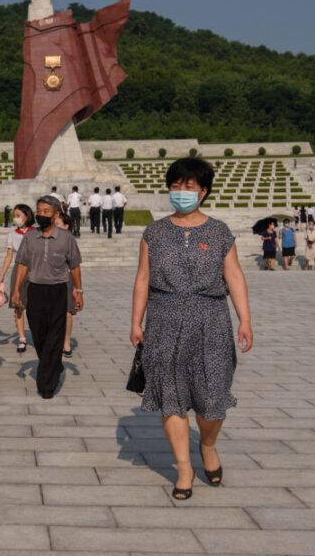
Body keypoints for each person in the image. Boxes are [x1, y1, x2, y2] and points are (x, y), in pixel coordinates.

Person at [130, 157, 253, 501]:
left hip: (211, 321)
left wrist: (245, 319)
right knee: (171, 397)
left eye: (188, 186)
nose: (180, 192)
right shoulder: (154, 233)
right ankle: (184, 468)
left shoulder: (219, 232)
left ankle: (208, 444)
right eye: (175, 186)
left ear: (203, 192)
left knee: (213, 398)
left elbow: (234, 275)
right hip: (164, 320)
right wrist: (136, 321)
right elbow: (142, 278)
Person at [10, 195, 83, 399]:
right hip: (35, 290)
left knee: (55, 335)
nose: (41, 215)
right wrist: (16, 290)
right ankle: (53, 364)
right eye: (39, 211)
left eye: (46, 211)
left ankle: (46, 384)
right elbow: (22, 264)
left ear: (56, 214)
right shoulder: (30, 237)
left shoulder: (66, 238)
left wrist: (79, 291)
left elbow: (75, 266)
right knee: (39, 334)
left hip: (58, 290)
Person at [0, 204, 34, 354]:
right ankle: (22, 338)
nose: (15, 218)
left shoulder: (36, 233)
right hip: (18, 271)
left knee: (35, 305)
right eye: (14, 215)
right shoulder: (12, 235)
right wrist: (1, 275)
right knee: (18, 305)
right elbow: (9, 257)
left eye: (18, 215)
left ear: (27, 216)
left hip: (35, 271)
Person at [53, 209, 79, 358]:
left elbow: (75, 266)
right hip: (48, 280)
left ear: (66, 226)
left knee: (67, 311)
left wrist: (77, 288)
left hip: (65, 280)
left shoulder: (69, 240)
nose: (54, 227)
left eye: (57, 224)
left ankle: (66, 342)